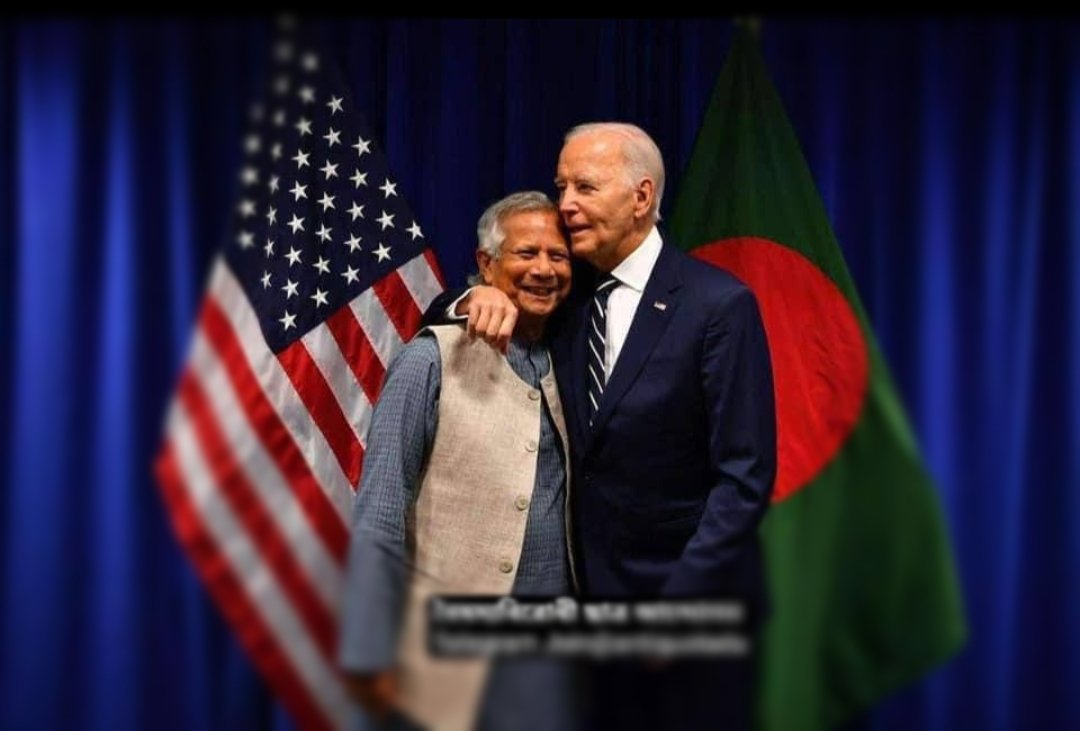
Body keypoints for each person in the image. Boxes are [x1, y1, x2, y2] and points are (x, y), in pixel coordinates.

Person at [425, 122, 777, 730]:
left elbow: (744, 480)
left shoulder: (717, 305)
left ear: (641, 197)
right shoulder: (565, 292)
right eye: (561, 186)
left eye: (584, 187)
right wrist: (469, 302)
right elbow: (436, 320)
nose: (565, 204)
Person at [338, 191, 578, 731]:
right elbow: (379, 508)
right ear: (487, 264)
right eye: (526, 254)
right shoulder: (428, 358)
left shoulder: (574, 357)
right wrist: (369, 645)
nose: (544, 269)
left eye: (557, 256)